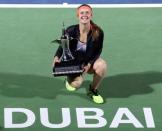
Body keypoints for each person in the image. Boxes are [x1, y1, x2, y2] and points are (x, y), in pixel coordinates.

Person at [53, 4, 107, 104]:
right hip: (74, 63)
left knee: (102, 65)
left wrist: (90, 64)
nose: (84, 15)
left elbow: (98, 51)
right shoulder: (70, 30)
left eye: (87, 12)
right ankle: (69, 77)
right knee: (76, 85)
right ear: (78, 15)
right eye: (82, 13)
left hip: (88, 63)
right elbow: (62, 46)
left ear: (91, 15)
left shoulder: (98, 32)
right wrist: (56, 57)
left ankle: (93, 90)